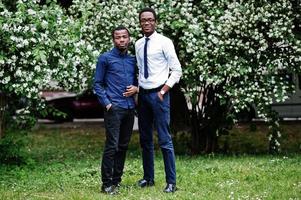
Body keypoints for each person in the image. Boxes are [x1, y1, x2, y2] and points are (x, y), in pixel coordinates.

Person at [135, 8, 182, 193]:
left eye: (150, 20)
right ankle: (148, 178)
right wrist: (139, 91)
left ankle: (171, 182)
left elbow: (177, 70)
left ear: (156, 22)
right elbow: (140, 69)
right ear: (140, 23)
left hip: (159, 95)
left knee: (164, 139)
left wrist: (164, 90)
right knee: (145, 139)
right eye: (143, 20)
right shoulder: (138, 44)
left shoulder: (165, 42)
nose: (146, 23)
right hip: (144, 96)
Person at [93, 25, 138, 194]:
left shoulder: (133, 60)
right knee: (112, 145)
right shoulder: (105, 58)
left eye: (124, 37)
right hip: (114, 108)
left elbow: (139, 80)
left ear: (129, 38)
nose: (121, 40)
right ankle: (106, 184)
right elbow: (97, 83)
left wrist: (137, 88)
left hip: (129, 108)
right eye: (118, 37)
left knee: (123, 145)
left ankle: (116, 181)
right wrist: (107, 103)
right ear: (114, 40)